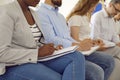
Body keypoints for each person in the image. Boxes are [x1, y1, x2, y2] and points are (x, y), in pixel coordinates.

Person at [0, 0, 86, 80]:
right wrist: (37, 53)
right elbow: (1, 54)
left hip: (34, 59)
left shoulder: (33, 13)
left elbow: (33, 42)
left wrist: (50, 48)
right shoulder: (6, 11)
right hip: (11, 66)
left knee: (77, 56)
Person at [36, 0, 115, 80]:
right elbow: (50, 39)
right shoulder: (41, 12)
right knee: (96, 72)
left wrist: (82, 44)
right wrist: (77, 45)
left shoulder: (60, 16)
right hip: (57, 53)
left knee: (109, 61)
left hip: (70, 50)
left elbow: (68, 38)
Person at [90, 0, 120, 80]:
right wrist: (113, 44)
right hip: (99, 49)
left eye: (119, 11)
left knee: (117, 63)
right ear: (110, 5)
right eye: (116, 10)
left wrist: (118, 42)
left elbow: (114, 35)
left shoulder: (111, 20)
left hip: (110, 48)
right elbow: (94, 38)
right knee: (118, 49)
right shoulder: (97, 16)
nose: (117, 13)